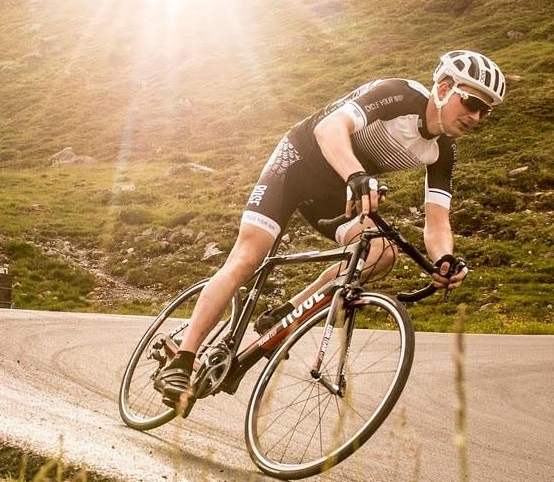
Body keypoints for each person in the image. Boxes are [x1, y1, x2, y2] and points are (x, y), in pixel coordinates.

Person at [154, 49, 507, 409]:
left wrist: (444, 260)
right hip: (296, 166)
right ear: (445, 88)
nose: (476, 117)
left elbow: (437, 223)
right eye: (471, 102)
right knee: (248, 257)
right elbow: (329, 127)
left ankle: (283, 316)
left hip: (336, 193)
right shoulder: (400, 94)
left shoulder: (442, 152)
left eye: (486, 111)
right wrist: (356, 175)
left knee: (380, 253)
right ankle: (183, 360)